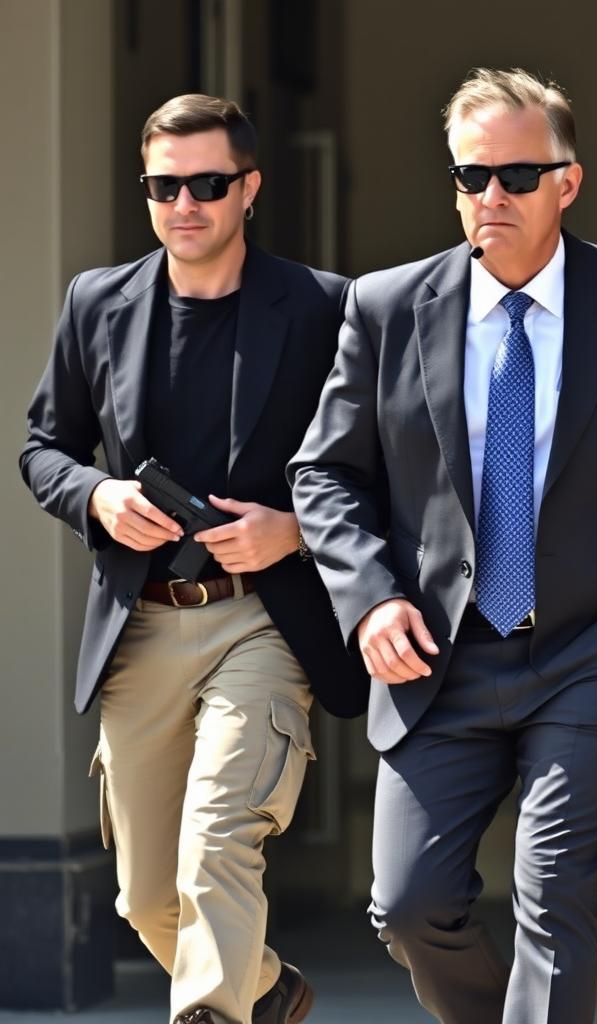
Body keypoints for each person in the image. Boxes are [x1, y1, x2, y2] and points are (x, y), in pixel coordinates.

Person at [288, 68, 597, 1024]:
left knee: (554, 902)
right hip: (437, 656)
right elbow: (323, 475)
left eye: (516, 176)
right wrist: (371, 597)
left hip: (586, 647)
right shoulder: (385, 307)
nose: (491, 198)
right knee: (410, 906)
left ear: (568, 183)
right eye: (471, 178)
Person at [20, 94, 366, 1024]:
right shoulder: (99, 302)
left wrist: (293, 529)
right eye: (164, 186)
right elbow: (41, 445)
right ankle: (265, 993)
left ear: (249, 188)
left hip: (265, 615)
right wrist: (97, 496)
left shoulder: (324, 307)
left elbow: (385, 467)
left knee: (220, 842)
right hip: (142, 622)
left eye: (208, 184)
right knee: (145, 899)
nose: (185, 204)